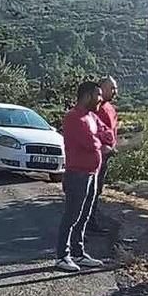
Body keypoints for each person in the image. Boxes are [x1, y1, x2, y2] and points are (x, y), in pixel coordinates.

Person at [55, 82, 112, 273]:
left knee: (85, 215)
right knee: (72, 215)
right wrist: (100, 144)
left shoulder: (93, 117)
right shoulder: (73, 117)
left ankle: (79, 253)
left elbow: (109, 135)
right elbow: (90, 143)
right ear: (87, 96)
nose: (101, 98)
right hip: (77, 174)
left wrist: (101, 141)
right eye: (97, 95)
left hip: (91, 173)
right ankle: (62, 256)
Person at [88, 75, 119, 233]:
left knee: (97, 189)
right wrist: (101, 147)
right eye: (112, 88)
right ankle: (86, 224)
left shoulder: (110, 108)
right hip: (95, 155)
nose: (115, 91)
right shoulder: (95, 108)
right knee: (91, 189)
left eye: (115, 88)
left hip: (105, 155)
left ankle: (91, 221)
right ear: (102, 88)